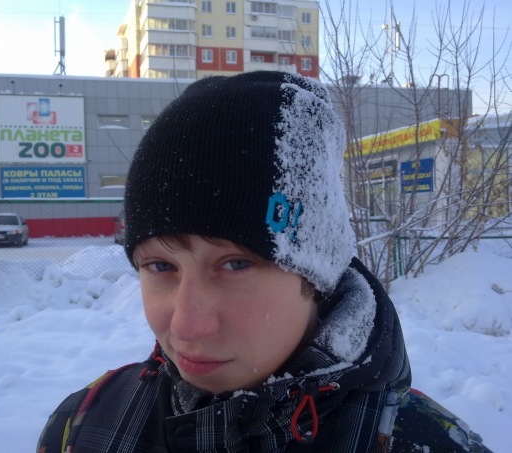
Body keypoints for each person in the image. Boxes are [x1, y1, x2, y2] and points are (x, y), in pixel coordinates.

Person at [38, 71, 491, 452]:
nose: (187, 326)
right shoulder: (81, 426)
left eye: (235, 264)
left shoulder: (425, 443)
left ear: (316, 278)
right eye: (160, 266)